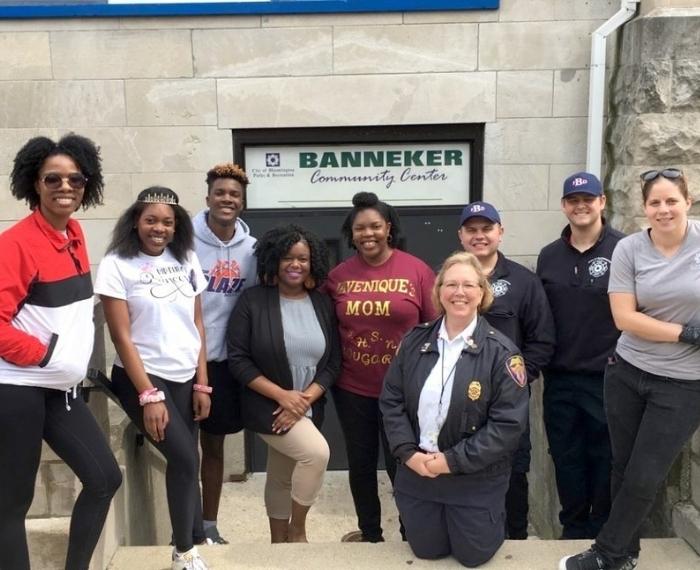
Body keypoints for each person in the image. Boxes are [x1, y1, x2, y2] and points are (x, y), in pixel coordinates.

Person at [560, 168, 700, 570]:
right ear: (644, 208)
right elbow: (625, 318)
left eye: (671, 200)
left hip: (684, 384)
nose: (663, 209)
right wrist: (687, 332)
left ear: (687, 202)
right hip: (627, 371)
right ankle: (627, 552)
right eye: (654, 202)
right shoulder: (630, 249)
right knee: (621, 466)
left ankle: (606, 553)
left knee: (644, 474)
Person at [0, 135, 122, 570]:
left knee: (105, 477)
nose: (65, 186)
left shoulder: (74, 233)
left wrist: (62, 362)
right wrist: (46, 355)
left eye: (76, 178)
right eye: (53, 178)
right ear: (35, 183)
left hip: (59, 388)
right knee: (11, 505)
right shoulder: (15, 244)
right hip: (17, 388)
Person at [380, 251, 528, 567]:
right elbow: (391, 400)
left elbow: (508, 426)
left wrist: (452, 461)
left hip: (473, 479)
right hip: (419, 473)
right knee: (425, 551)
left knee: (472, 557)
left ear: (481, 293)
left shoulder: (502, 353)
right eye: (450, 284)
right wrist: (408, 453)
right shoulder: (414, 341)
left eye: (468, 285)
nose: (458, 292)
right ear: (439, 291)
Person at [95, 187, 211, 570]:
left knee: (187, 459)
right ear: (135, 221)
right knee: (182, 458)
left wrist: (201, 383)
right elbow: (120, 335)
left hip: (183, 375)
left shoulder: (187, 258)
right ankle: (183, 552)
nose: (159, 228)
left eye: (167, 221)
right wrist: (148, 395)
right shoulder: (117, 263)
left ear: (176, 227)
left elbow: (197, 324)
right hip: (142, 377)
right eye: (151, 220)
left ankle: (193, 536)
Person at [324, 191, 437, 543]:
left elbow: (435, 328)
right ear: (351, 232)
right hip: (353, 387)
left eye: (375, 226)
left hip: (403, 390)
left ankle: (410, 532)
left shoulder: (416, 270)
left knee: (402, 463)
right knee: (360, 464)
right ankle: (371, 534)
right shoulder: (339, 276)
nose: (368, 233)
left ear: (388, 228)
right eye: (360, 228)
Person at [228, 224, 340, 543]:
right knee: (316, 454)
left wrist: (303, 400)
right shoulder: (253, 301)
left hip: (307, 403)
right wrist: (282, 396)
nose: (295, 264)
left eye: (302, 259)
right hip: (267, 406)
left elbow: (333, 362)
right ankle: (297, 531)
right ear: (273, 260)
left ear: (312, 262)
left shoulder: (321, 303)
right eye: (287, 258)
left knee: (281, 472)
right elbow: (238, 359)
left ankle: (278, 543)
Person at [458, 200, 555, 540]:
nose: (479, 236)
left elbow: (541, 341)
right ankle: (467, 536)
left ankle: (515, 541)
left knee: (513, 471)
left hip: (506, 402)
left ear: (500, 232)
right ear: (461, 235)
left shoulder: (524, 282)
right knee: (459, 468)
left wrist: (515, 383)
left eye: (487, 229)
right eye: (472, 230)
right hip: (456, 399)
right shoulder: (450, 280)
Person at [537, 172, 624, 540]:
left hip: (608, 377)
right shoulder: (549, 256)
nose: (581, 205)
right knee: (566, 459)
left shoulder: (624, 249)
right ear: (564, 206)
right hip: (560, 380)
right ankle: (573, 530)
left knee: (605, 459)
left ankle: (602, 533)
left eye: (588, 199)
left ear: (601, 202)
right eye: (573, 200)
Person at [194, 162, 257, 544]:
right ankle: (184, 525)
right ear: (208, 198)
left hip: (225, 363)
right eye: (220, 192)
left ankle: (208, 525)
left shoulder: (252, 249)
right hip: (186, 360)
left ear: (242, 202)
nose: (227, 199)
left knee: (214, 445)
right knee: (184, 450)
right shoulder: (184, 239)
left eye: (234, 194)